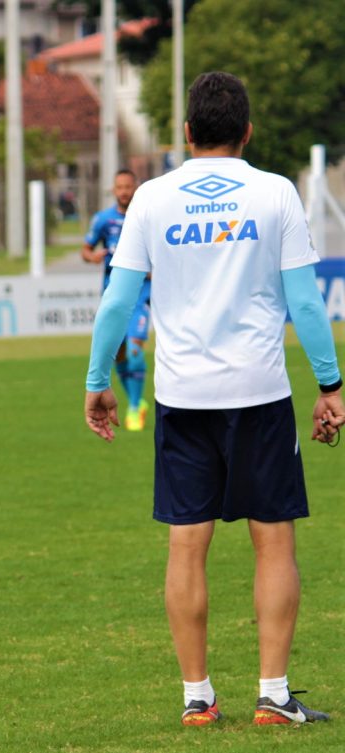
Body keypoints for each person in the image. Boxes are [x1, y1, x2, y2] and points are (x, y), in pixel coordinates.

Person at [84, 71, 344, 726]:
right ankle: (274, 695)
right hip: (259, 392)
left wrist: (96, 382)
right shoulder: (275, 193)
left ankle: (197, 697)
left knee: (185, 543)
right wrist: (331, 383)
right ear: (247, 132)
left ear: (187, 133)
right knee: (274, 541)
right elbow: (305, 302)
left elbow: (118, 299)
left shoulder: (150, 199)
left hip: (182, 395)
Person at [82, 170, 151, 431]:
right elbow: (85, 249)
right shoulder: (103, 220)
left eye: (128, 186)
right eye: (120, 187)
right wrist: (93, 257)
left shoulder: (145, 217)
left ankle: (135, 405)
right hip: (113, 294)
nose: (124, 191)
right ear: (114, 190)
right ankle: (136, 402)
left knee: (134, 350)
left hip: (142, 294)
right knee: (120, 353)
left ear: (136, 187)